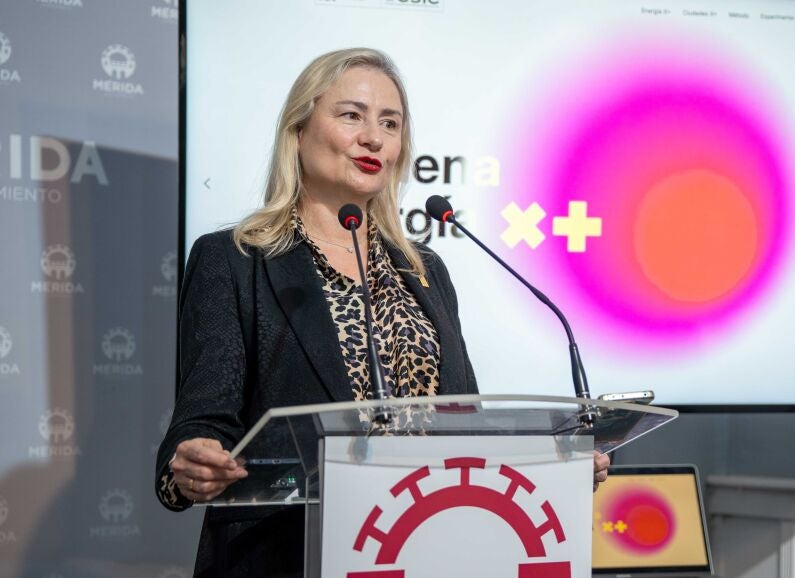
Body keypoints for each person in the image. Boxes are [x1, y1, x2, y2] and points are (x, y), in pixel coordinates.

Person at [154, 48, 609, 577]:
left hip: (428, 548)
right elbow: (203, 417)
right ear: (298, 131)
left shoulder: (425, 269)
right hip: (287, 553)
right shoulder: (234, 259)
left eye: (390, 124)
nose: (374, 137)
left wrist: (554, 463)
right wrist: (193, 460)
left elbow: (467, 424)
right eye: (352, 115)